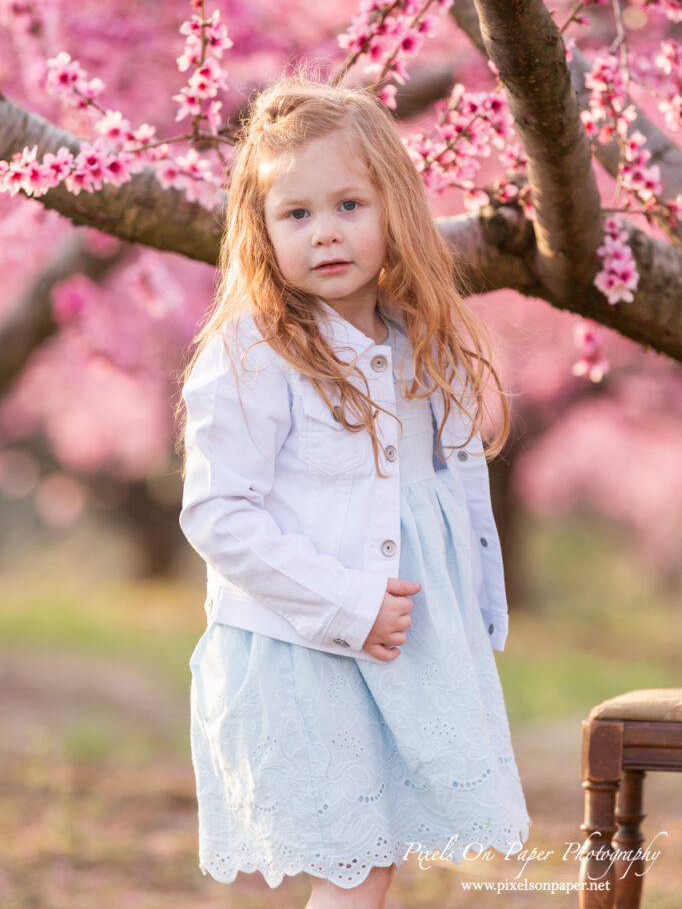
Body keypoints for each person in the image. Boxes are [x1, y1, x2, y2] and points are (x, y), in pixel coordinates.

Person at [176, 67, 531, 909]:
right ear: (261, 230)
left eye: (348, 207)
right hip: (308, 648)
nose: (325, 234)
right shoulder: (254, 354)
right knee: (356, 865)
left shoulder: (419, 339)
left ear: (393, 210)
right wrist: (347, 602)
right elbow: (218, 514)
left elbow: (452, 496)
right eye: (296, 214)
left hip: (409, 644)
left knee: (379, 860)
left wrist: (476, 613)